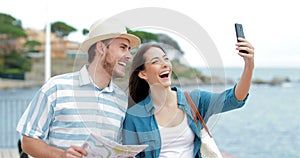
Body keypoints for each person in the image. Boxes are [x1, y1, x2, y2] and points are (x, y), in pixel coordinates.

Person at [16, 18, 141, 158]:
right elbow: (27, 142)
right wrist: (62, 155)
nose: (129, 56)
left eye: (129, 50)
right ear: (101, 48)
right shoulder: (56, 87)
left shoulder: (121, 100)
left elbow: (115, 148)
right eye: (123, 48)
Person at [122, 39, 254, 158]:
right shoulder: (134, 117)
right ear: (143, 74)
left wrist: (249, 65)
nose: (165, 64)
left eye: (166, 59)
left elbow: (233, 99)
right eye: (156, 61)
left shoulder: (195, 100)